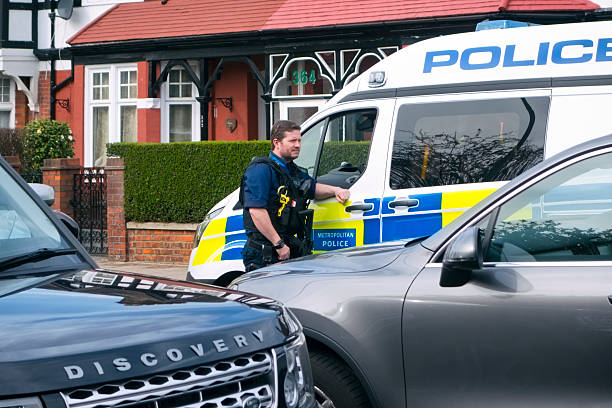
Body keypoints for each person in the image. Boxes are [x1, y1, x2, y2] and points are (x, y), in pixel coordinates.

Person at [240, 120, 350, 272]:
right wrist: (278, 244)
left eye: (299, 140)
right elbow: (256, 211)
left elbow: (311, 188)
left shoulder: (290, 170)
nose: (298, 145)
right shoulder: (261, 170)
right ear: (276, 143)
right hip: (265, 253)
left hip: (283, 248)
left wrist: (336, 190)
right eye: (292, 141)